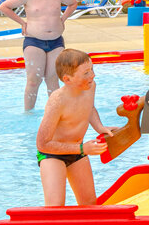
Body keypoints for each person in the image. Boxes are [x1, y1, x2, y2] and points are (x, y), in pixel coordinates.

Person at [35, 48, 114, 206]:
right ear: (67, 79)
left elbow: (89, 108)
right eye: (85, 73)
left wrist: (100, 127)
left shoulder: (90, 87)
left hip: (77, 151)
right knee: (55, 206)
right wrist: (83, 149)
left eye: (92, 69)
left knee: (90, 203)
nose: (92, 75)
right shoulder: (57, 101)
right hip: (52, 155)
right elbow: (42, 143)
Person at [0, 0, 80, 111]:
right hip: (34, 42)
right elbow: (4, 7)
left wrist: (63, 18)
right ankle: (28, 114)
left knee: (53, 79)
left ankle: (55, 114)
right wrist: (22, 22)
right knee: (33, 81)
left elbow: (73, 3)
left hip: (56, 42)